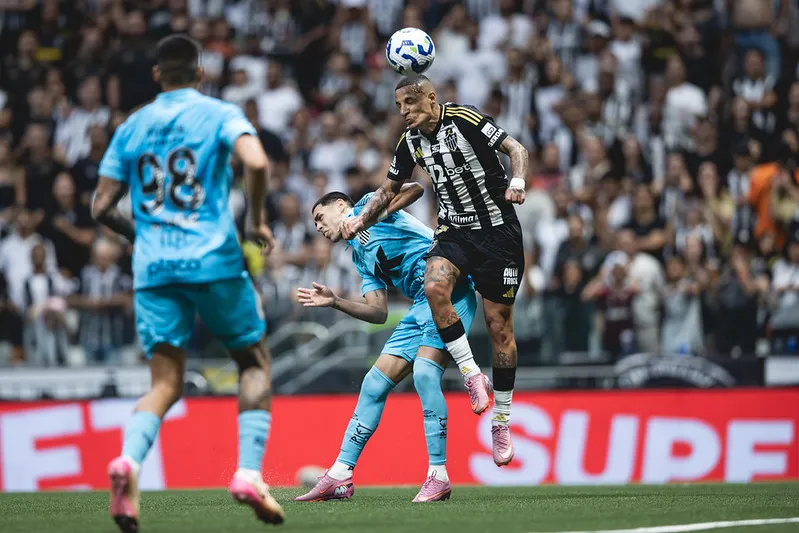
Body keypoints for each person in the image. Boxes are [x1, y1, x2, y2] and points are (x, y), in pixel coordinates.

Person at [91, 35, 283, 532]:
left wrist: (147, 235)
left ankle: (128, 464)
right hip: (214, 261)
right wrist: (256, 223)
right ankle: (247, 473)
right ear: (199, 74)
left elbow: (99, 207)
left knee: (165, 384)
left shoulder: (131, 126)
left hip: (154, 270)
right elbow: (257, 162)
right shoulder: (219, 113)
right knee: (253, 360)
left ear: (157, 76)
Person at [340, 73, 528, 466]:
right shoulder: (409, 143)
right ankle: (472, 374)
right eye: (398, 107)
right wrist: (361, 220)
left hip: (498, 235)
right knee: (434, 285)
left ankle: (502, 419)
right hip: (455, 232)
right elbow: (389, 190)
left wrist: (519, 179)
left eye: (409, 103)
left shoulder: (466, 119)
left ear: (430, 97)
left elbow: (516, 148)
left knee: (500, 328)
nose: (404, 113)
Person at [295, 188, 478, 503]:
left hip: (450, 292)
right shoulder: (358, 255)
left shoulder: (368, 204)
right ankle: (340, 474)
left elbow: (413, 189)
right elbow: (378, 312)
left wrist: (367, 217)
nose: (319, 229)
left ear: (340, 206)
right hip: (420, 306)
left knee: (423, 373)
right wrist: (335, 301)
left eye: (320, 218)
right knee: (373, 383)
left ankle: (439, 476)